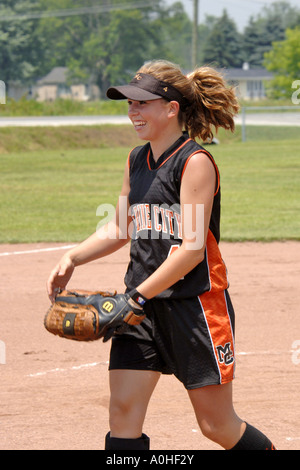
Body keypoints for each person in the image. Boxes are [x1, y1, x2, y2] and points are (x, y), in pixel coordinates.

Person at [47, 60, 276, 451]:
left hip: (194, 308)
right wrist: (74, 257)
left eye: (141, 103)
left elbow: (191, 249)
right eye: (129, 103)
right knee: (122, 413)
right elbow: (122, 227)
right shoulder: (136, 160)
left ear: (171, 108)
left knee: (216, 425)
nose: (132, 111)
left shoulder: (195, 162)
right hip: (139, 310)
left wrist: (136, 296)